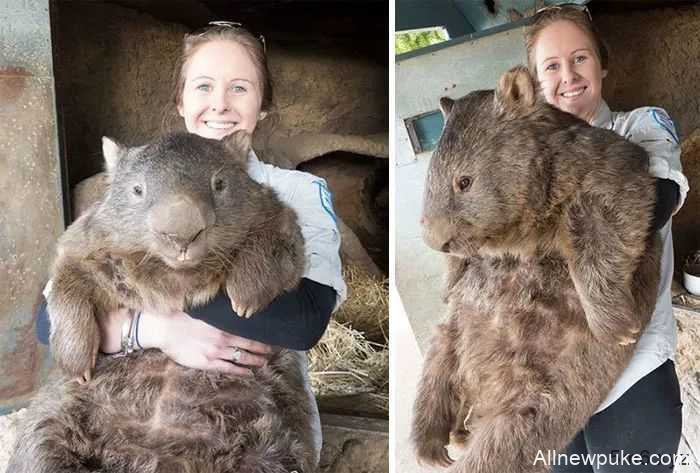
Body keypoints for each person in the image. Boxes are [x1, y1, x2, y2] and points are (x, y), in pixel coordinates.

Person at [36, 22, 347, 465]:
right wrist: (158, 331)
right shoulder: (134, 174)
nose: (219, 103)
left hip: (239, 422)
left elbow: (301, 322)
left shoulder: (295, 190)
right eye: (203, 86)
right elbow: (49, 318)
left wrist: (147, 291)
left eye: (240, 88)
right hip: (107, 417)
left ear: (263, 106)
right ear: (181, 100)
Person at [525, 5, 689, 472]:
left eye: (580, 58)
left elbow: (655, 200)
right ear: (535, 82)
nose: (568, 76)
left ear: (602, 63)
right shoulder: (526, 158)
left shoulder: (641, 126)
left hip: (632, 377)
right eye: (551, 66)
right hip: (551, 387)